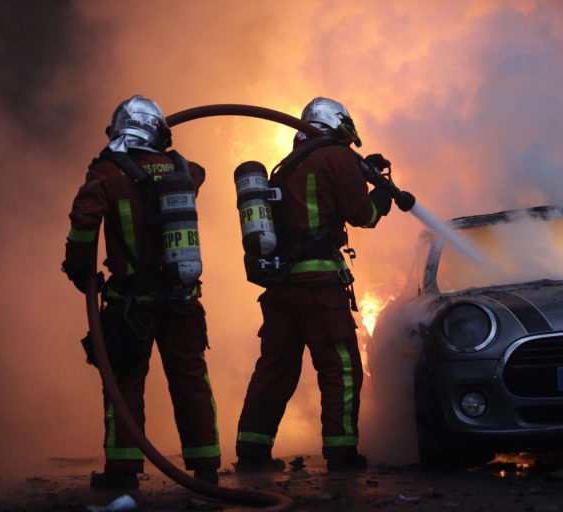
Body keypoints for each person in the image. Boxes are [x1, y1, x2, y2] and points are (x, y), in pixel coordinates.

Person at [62, 95, 220, 490]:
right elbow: (199, 173)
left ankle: (123, 471)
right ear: (158, 132)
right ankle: (206, 468)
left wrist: (79, 268)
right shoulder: (183, 169)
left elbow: (84, 221)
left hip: (132, 306)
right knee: (191, 380)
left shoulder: (107, 172)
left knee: (125, 382)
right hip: (183, 300)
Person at [235, 97, 393, 472]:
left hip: (281, 286)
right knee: (340, 369)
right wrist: (382, 196)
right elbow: (362, 214)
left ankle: (252, 453)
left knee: (275, 370)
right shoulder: (338, 156)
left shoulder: (287, 164)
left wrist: (361, 173)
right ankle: (341, 454)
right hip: (320, 288)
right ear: (339, 124)